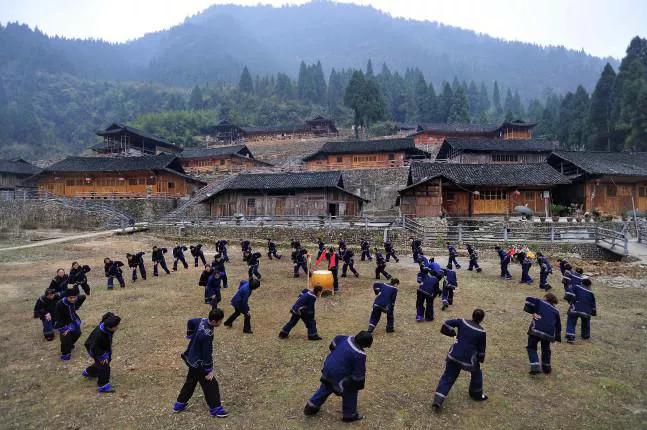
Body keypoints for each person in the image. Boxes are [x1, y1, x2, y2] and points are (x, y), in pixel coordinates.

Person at [303, 331, 373, 422]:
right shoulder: (359, 355)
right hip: (340, 375)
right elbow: (358, 374)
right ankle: (349, 415)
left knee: (326, 387)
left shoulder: (346, 339)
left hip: (328, 368)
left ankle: (311, 407)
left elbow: (334, 343)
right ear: (365, 344)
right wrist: (357, 384)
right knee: (350, 392)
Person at [173, 309, 228, 418]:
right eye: (220, 321)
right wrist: (209, 370)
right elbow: (207, 354)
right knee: (211, 383)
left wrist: (189, 334)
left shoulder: (202, 320)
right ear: (214, 321)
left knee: (191, 381)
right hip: (199, 363)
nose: (220, 323)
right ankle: (216, 408)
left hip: (191, 358)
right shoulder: (207, 335)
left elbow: (191, 321)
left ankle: (179, 405)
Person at [432, 309, 488, 411]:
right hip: (469, 360)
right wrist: (480, 359)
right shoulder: (481, 332)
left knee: (448, 376)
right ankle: (476, 394)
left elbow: (446, 323)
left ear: (472, 315)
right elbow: (481, 350)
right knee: (477, 374)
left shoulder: (462, 322)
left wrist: (452, 333)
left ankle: (438, 400)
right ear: (482, 319)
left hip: (454, 355)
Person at [83, 312, 121, 393]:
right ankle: (103, 385)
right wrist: (102, 356)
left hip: (103, 347)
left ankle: (89, 372)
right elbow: (94, 348)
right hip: (95, 349)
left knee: (106, 360)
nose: (117, 328)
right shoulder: (99, 335)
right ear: (109, 327)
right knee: (104, 366)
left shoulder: (106, 325)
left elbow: (108, 314)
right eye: (115, 326)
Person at [523, 293, 561, 374]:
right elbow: (558, 325)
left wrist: (532, 312)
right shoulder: (556, 311)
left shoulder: (540, 302)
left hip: (536, 329)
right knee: (546, 348)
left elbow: (529, 298)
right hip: (548, 333)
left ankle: (535, 367)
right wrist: (557, 337)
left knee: (531, 347)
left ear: (546, 298)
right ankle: (546, 368)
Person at [53, 285, 86, 360]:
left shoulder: (76, 299)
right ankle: (65, 354)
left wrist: (77, 306)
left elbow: (83, 297)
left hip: (74, 320)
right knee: (65, 337)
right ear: (66, 297)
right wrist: (63, 329)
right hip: (64, 322)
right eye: (70, 298)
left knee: (78, 333)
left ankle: (70, 344)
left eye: (74, 297)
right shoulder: (60, 304)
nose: (73, 299)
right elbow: (58, 318)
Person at [565, 278, 597, 343]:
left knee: (571, 321)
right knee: (586, 322)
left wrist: (571, 302)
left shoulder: (576, 287)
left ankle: (570, 336)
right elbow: (593, 304)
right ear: (589, 285)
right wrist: (593, 312)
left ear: (582, 282)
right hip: (586, 311)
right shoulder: (591, 293)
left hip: (575, 308)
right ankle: (585, 335)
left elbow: (569, 294)